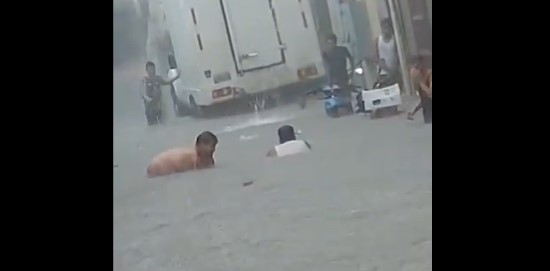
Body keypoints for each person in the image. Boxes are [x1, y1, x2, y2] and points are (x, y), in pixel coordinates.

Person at [146, 131, 218, 178]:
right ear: (198, 146)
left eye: (214, 146)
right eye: (211, 146)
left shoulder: (205, 159)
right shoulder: (188, 158)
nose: (213, 149)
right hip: (159, 166)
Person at [141, 61, 180, 126]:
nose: (152, 70)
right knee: (152, 125)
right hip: (150, 107)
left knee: (162, 123)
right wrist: (147, 98)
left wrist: (176, 77)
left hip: (158, 106)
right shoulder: (145, 80)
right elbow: (142, 92)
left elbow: (167, 82)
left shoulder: (158, 78)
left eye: (153, 68)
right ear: (147, 70)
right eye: (150, 69)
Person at [373, 18, 400, 88]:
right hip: (383, 72)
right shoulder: (378, 40)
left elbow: (398, 54)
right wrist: (385, 67)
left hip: (395, 71)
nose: (385, 30)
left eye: (387, 28)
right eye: (384, 28)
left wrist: (395, 69)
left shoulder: (395, 40)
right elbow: (376, 57)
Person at [407, 51, 432, 123]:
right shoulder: (416, 73)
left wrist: (420, 82)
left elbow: (430, 94)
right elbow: (424, 98)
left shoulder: (429, 73)